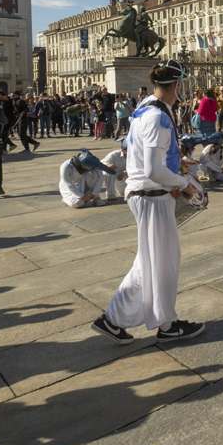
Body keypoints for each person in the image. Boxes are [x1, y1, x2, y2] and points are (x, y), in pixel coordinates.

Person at [93, 60, 206, 345]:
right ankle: (165, 325)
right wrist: (185, 184)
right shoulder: (157, 117)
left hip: (146, 193)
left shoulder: (145, 107)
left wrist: (175, 161)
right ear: (177, 85)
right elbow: (155, 171)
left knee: (151, 262)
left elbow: (145, 157)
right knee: (162, 262)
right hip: (152, 195)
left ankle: (115, 320)